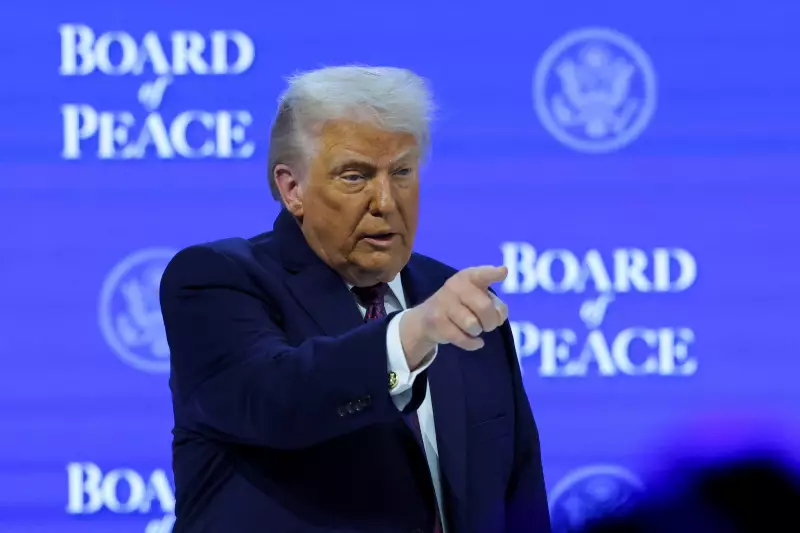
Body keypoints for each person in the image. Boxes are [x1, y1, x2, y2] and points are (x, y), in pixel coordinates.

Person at [160, 65, 550, 533]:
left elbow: (519, 495)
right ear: (292, 188)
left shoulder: (456, 301)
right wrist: (411, 334)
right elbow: (277, 398)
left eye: (401, 172)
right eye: (354, 176)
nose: (385, 201)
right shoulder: (216, 281)